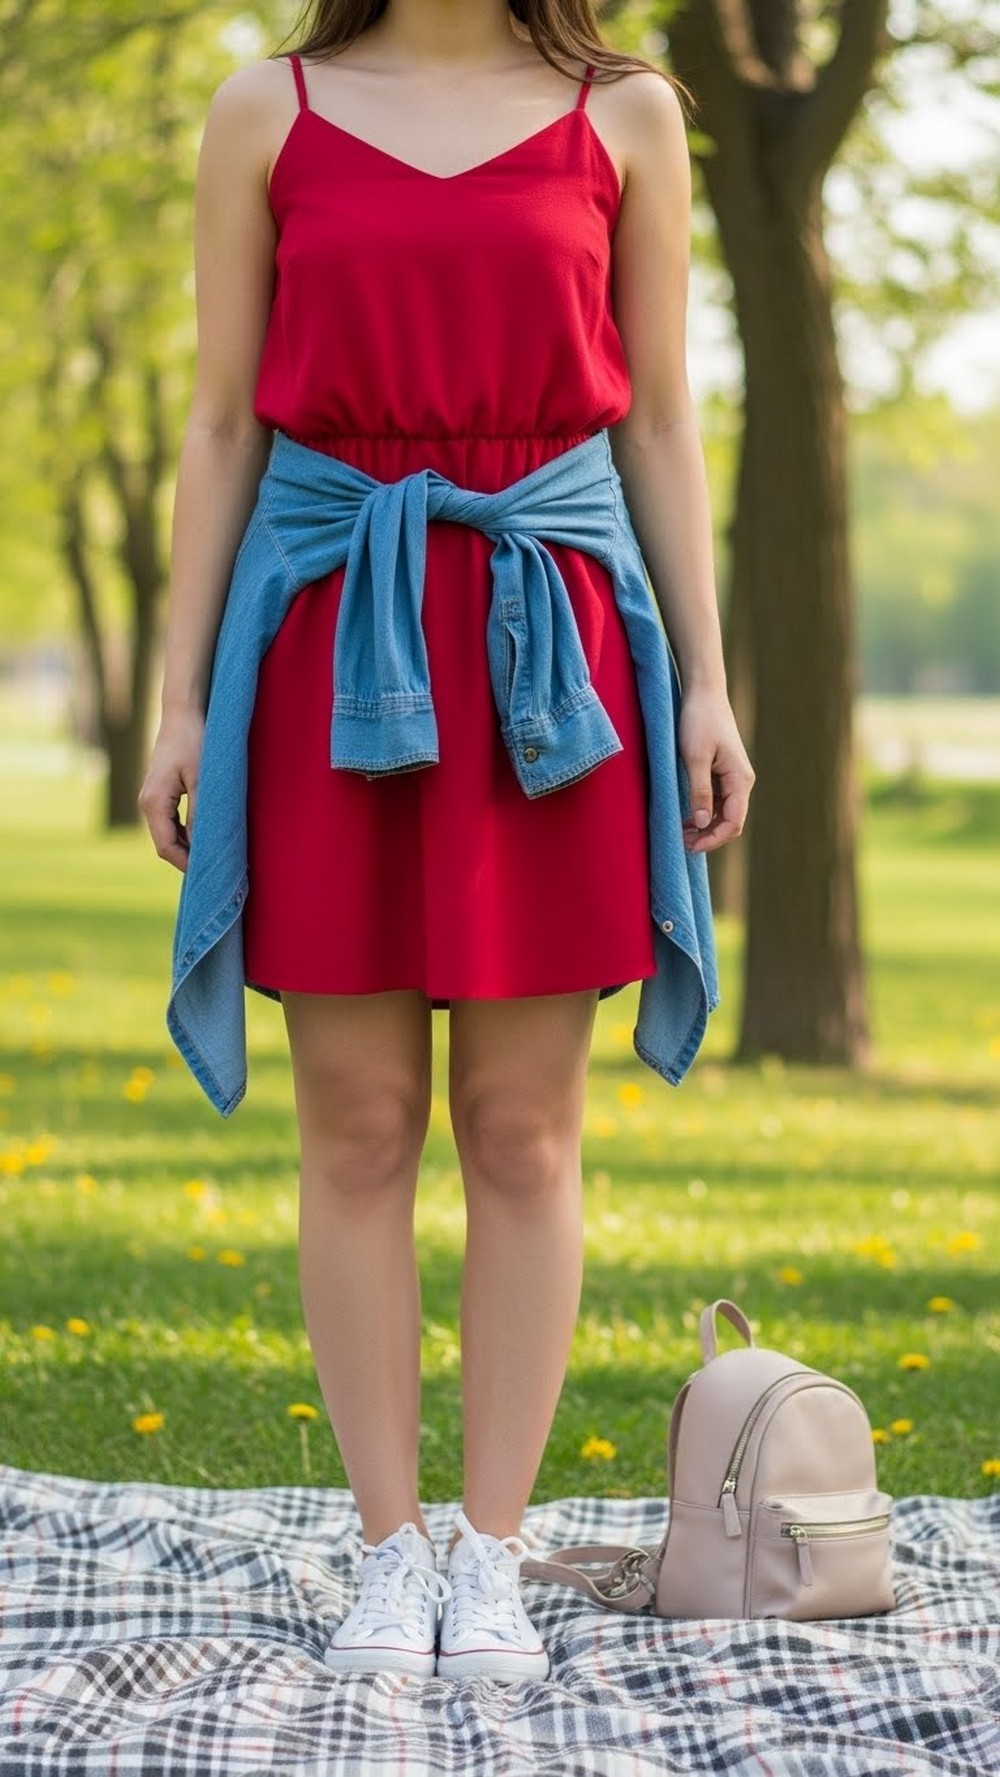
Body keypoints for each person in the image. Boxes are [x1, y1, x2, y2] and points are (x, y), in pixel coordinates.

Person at [138, 0, 754, 1686]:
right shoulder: (266, 108)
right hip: (330, 629)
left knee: (522, 1126)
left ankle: (490, 1554)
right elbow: (216, 429)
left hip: (549, 647)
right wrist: (182, 698)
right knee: (354, 1118)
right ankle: (385, 1547)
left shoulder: (626, 117)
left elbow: (665, 427)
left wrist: (704, 681)